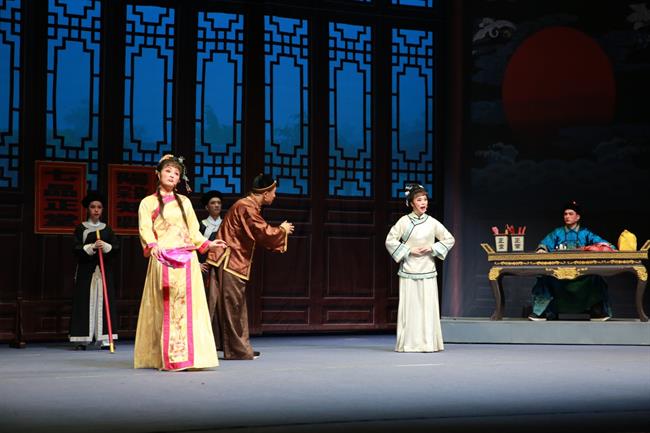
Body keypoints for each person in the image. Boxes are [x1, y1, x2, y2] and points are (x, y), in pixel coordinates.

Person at [134, 154, 226, 371]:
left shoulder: (184, 201)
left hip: (187, 259)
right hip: (164, 258)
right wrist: (153, 245)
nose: (172, 175)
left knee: (191, 309)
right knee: (165, 308)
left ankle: (192, 358)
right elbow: (145, 228)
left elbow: (193, 230)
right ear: (158, 174)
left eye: (176, 173)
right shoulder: (148, 202)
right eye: (168, 171)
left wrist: (208, 244)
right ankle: (166, 357)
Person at [206, 173, 294, 360]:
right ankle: (237, 350)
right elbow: (262, 231)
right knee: (232, 306)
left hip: (230, 259)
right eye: (274, 192)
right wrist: (282, 230)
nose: (275, 196)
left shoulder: (248, 206)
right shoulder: (246, 206)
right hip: (230, 260)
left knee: (231, 305)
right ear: (265, 193)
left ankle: (235, 347)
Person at [384, 184, 455, 353]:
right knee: (410, 308)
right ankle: (408, 344)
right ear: (411, 203)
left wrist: (432, 248)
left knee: (427, 307)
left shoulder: (432, 222)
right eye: (419, 200)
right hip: (409, 269)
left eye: (425, 199)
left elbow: (449, 239)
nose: (423, 203)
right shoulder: (404, 221)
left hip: (427, 268)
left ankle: (429, 343)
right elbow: (390, 240)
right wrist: (408, 250)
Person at [528, 200, 616, 321]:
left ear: (577, 217)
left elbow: (603, 243)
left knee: (596, 278)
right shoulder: (557, 232)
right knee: (544, 278)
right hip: (558, 272)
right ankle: (540, 312)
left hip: (582, 273)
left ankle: (597, 311)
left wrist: (609, 248)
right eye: (565, 214)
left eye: (570, 214)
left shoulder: (586, 233)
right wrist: (542, 249)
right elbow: (544, 243)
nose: (567, 216)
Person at [69, 192, 119, 350]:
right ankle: (82, 339)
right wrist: (91, 247)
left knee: (104, 301)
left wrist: (106, 246)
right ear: (88, 209)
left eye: (99, 207)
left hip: (103, 272)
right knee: (84, 301)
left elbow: (116, 248)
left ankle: (105, 339)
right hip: (86, 272)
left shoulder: (107, 229)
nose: (96, 210)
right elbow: (75, 248)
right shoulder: (81, 228)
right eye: (93, 207)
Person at [198, 190, 223, 274]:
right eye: (213, 203)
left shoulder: (225, 224)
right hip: (205, 265)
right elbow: (195, 245)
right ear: (207, 207)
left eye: (219, 203)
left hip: (221, 264)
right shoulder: (202, 224)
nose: (217, 205)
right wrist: (198, 264)